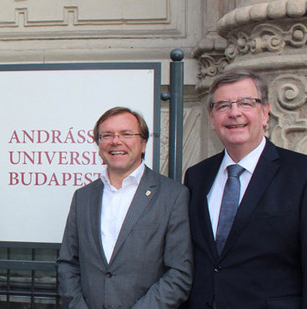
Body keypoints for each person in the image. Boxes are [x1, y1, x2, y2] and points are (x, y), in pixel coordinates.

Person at [183, 69, 307, 308]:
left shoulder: (300, 173)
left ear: (265, 113)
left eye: (245, 103)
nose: (234, 113)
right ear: (212, 119)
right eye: (223, 106)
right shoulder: (197, 177)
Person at [57, 107, 192, 308]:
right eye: (107, 135)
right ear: (99, 145)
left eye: (126, 134)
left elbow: (179, 273)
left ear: (144, 143)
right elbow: (68, 263)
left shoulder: (172, 196)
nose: (116, 141)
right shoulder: (83, 197)